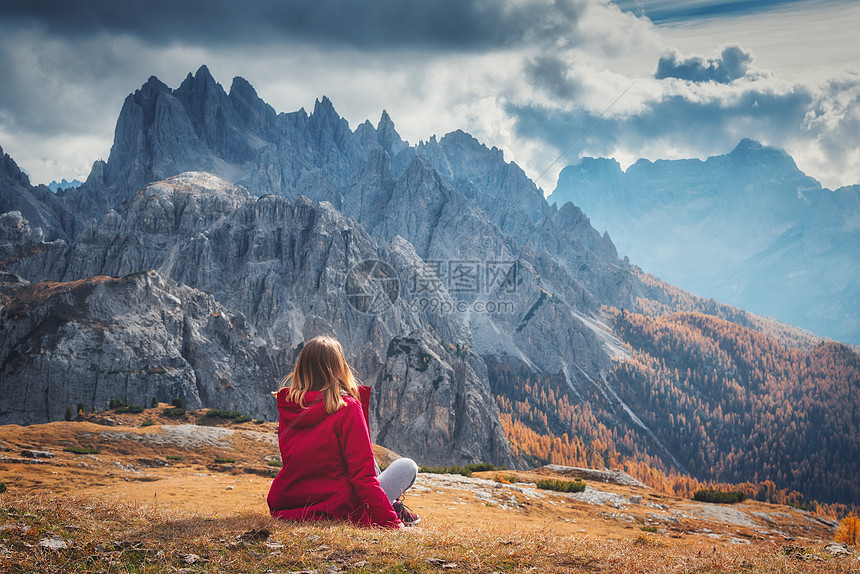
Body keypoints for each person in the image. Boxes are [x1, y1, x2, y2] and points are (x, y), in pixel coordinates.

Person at [266, 335, 420, 528]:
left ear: (302, 368)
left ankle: (392, 504)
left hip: (290, 505)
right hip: (338, 508)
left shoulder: (290, 406)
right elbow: (362, 478)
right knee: (408, 466)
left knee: (369, 459)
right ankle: (392, 506)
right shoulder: (346, 407)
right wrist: (391, 523)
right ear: (340, 366)